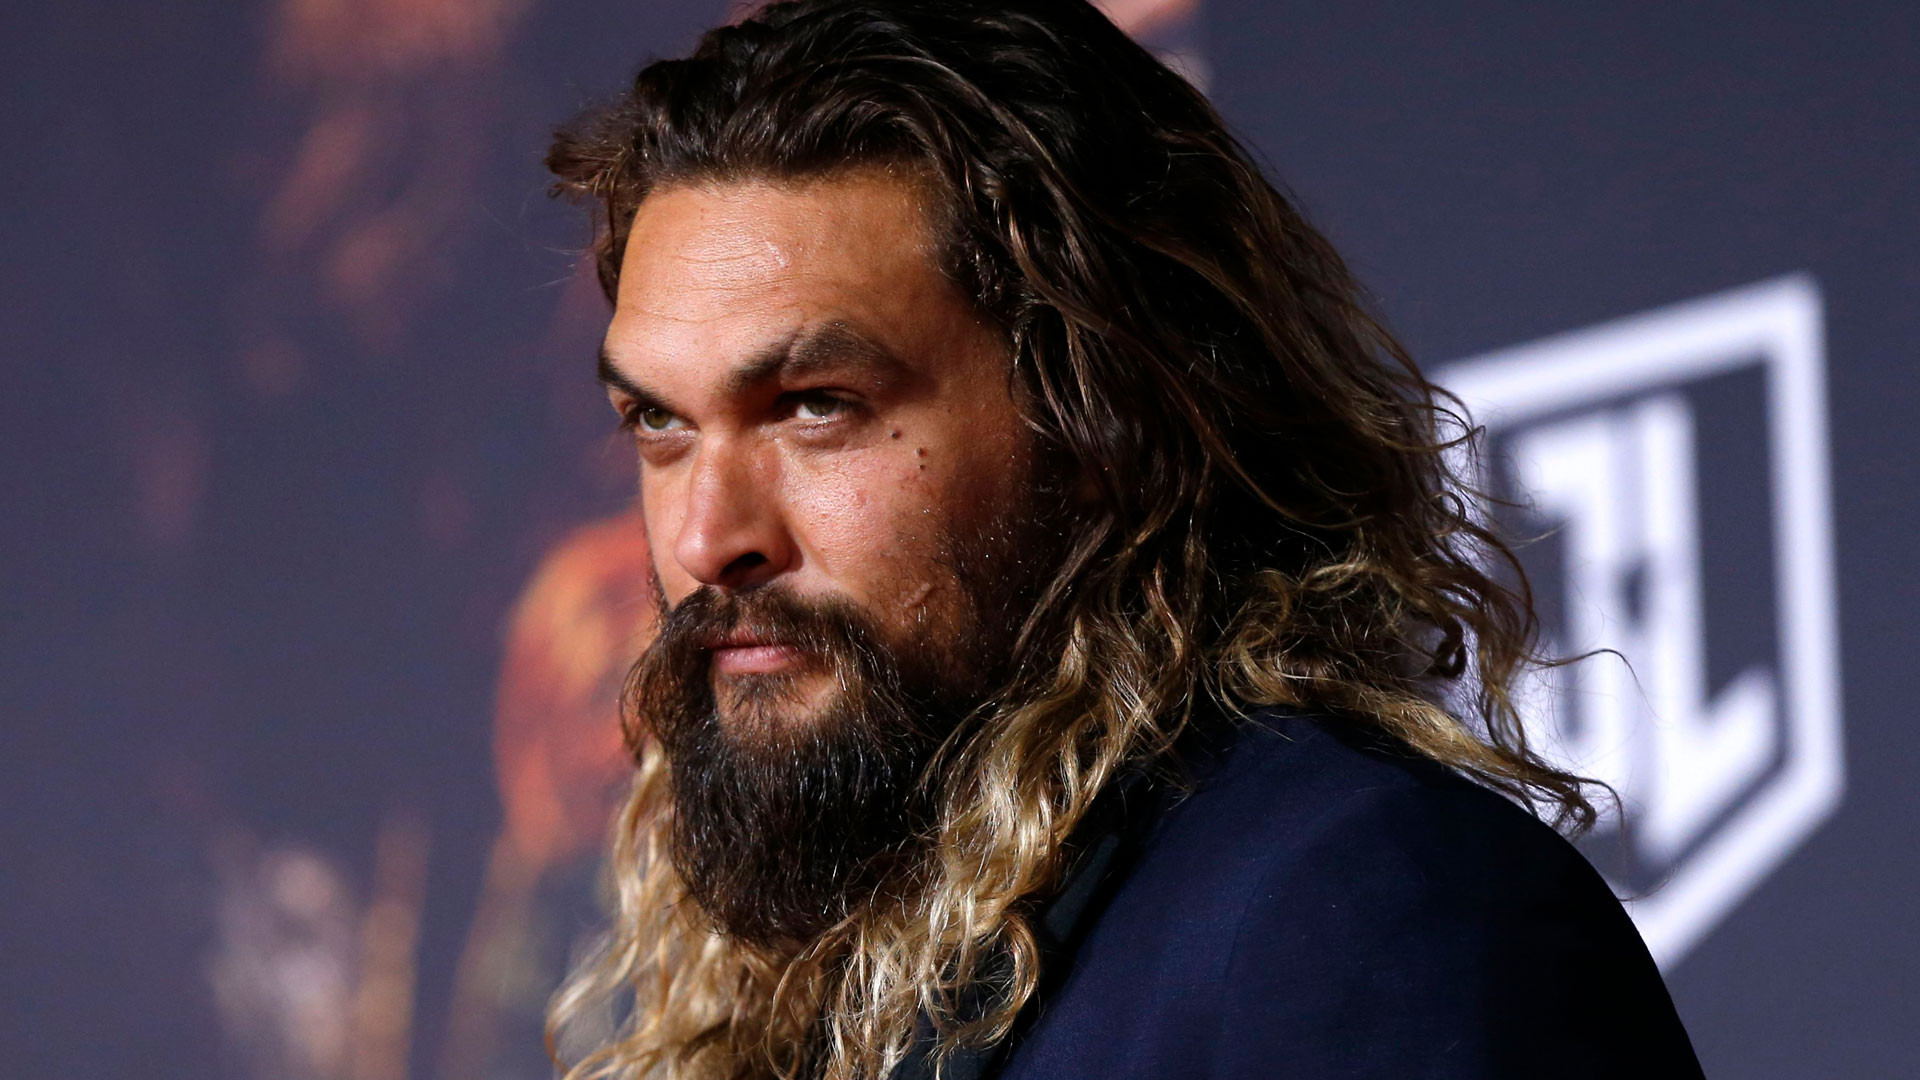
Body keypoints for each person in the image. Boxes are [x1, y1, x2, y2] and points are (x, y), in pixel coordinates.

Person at [542, 1, 1705, 1077]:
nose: (708, 537)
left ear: (1103, 413)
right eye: (660, 422)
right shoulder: (806, 987)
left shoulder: (1359, 916)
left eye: (816, 407)